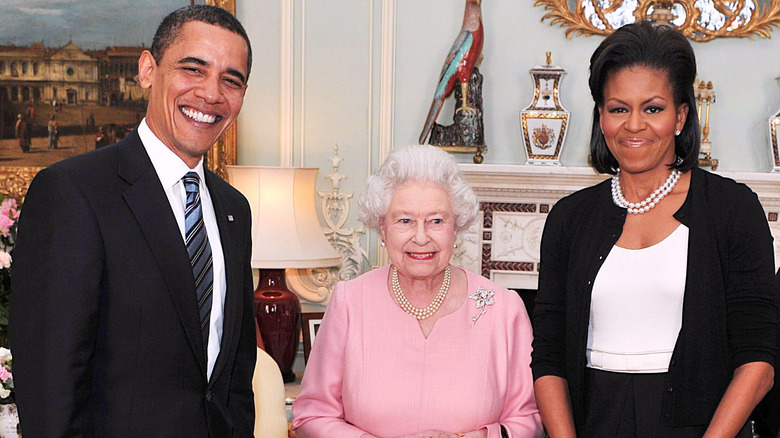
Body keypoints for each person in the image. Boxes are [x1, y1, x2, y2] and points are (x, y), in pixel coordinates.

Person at [10, 5, 256, 437]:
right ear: (147, 70)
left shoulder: (234, 209)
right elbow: (50, 383)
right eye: (193, 69)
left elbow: (233, 378)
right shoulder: (72, 193)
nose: (212, 94)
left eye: (230, 80)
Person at [531, 21, 777, 437]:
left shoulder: (733, 210)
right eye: (618, 108)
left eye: (653, 108)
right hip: (595, 423)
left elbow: (760, 359)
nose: (633, 125)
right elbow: (549, 356)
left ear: (681, 115)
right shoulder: (569, 219)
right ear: (601, 116)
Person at [292, 145, 543, 438]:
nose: (421, 237)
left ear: (456, 227)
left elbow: (530, 418)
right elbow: (312, 414)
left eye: (436, 221)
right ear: (382, 229)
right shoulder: (350, 301)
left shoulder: (502, 308)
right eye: (405, 221)